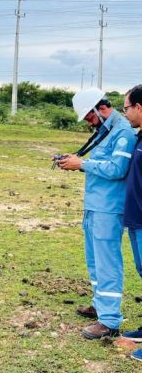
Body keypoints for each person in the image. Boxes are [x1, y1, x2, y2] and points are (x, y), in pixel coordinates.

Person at [57, 87, 136, 339]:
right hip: (95, 204)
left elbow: (117, 168)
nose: (88, 123)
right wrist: (76, 160)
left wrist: (81, 164)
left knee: (107, 262)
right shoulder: (106, 130)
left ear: (101, 109)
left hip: (109, 208)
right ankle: (100, 306)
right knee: (94, 260)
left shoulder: (122, 132)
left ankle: (110, 320)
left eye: (89, 117)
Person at [116, 85, 142, 361]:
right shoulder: (139, 137)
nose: (126, 114)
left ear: (139, 107)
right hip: (135, 219)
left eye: (126, 108)